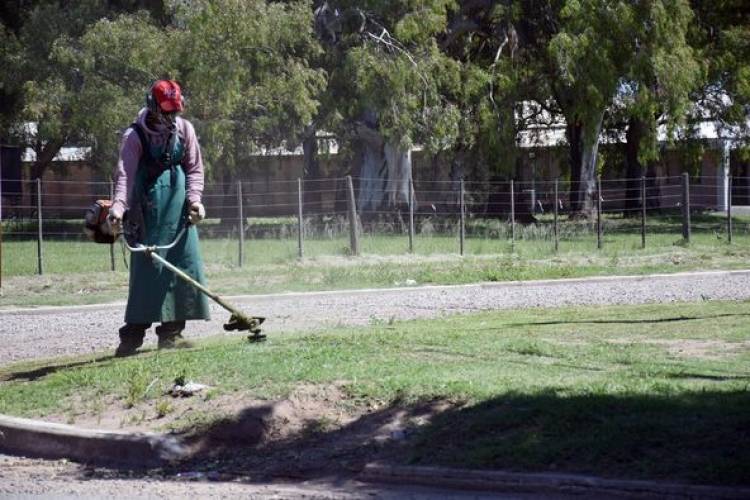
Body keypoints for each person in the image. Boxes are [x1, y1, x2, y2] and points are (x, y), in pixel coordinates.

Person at [108, 79, 210, 356]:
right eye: (166, 112)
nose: (171, 118)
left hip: (178, 213)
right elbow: (125, 175)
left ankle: (171, 335)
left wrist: (195, 201)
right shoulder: (134, 136)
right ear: (153, 107)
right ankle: (131, 337)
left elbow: (194, 169)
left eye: (174, 112)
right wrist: (118, 208)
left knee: (183, 268)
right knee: (146, 272)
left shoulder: (185, 130)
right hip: (145, 211)